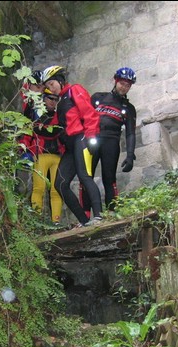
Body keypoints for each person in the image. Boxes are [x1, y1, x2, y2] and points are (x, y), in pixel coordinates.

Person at [42, 65, 103, 227]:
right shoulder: (60, 102)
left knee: (84, 176)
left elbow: (89, 113)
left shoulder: (74, 90)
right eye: (48, 87)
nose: (51, 89)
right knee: (60, 184)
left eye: (52, 85)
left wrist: (91, 137)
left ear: (60, 81)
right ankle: (83, 220)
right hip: (69, 147)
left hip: (81, 139)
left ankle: (98, 216)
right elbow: (54, 128)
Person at [80, 67, 137, 214]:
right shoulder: (98, 97)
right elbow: (83, 118)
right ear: (115, 81)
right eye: (122, 83)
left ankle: (112, 213)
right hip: (92, 140)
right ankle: (85, 216)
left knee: (109, 178)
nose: (124, 87)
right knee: (86, 177)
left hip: (111, 143)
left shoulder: (129, 108)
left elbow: (130, 133)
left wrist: (130, 155)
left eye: (128, 85)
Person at [19, 88, 65, 225]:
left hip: (57, 157)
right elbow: (28, 133)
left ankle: (56, 221)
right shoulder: (36, 114)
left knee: (56, 190)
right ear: (44, 98)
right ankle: (37, 220)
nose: (53, 102)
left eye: (56, 99)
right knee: (38, 188)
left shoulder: (60, 116)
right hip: (41, 155)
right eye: (51, 98)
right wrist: (24, 148)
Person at [17, 70, 44, 197]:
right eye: (38, 87)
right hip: (20, 142)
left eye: (42, 89)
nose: (40, 91)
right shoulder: (22, 99)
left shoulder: (37, 104)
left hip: (29, 146)